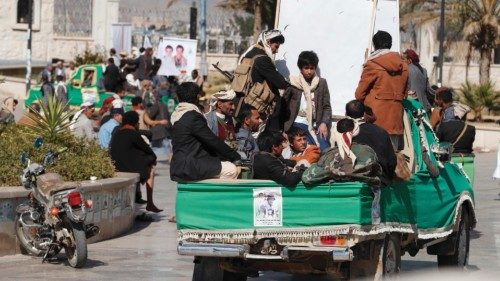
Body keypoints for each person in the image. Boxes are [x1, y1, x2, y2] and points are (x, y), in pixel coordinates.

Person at [170, 82, 241, 181]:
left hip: (180, 164)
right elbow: (211, 140)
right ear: (197, 97)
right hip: (190, 165)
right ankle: (212, 196)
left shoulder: (177, 115)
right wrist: (235, 156)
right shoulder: (193, 116)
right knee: (231, 169)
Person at [354, 30, 409, 151]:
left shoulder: (372, 64)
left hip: (375, 120)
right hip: (395, 120)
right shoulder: (404, 66)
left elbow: (359, 94)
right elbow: (405, 94)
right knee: (391, 159)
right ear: (390, 44)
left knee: (375, 159)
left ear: (375, 45)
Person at [109, 111, 162, 213]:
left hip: (116, 167)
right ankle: (150, 204)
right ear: (134, 123)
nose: (138, 125)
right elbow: (149, 151)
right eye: (137, 122)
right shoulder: (133, 133)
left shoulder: (117, 133)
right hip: (128, 168)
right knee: (151, 170)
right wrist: (152, 160)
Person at [239, 29, 290, 130]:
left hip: (245, 103)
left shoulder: (251, 53)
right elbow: (280, 83)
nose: (277, 51)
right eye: (276, 46)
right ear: (269, 42)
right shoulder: (262, 58)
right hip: (257, 108)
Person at [284, 51, 332, 151]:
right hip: (297, 123)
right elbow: (283, 104)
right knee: (310, 149)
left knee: (324, 149)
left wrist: (324, 123)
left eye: (312, 68)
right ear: (301, 68)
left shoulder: (321, 83)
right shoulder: (293, 83)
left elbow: (326, 107)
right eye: (306, 68)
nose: (309, 71)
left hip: (316, 124)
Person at [345, 100, 396, 185]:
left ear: (346, 114)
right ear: (364, 113)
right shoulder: (381, 132)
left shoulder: (344, 134)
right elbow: (391, 161)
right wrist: (388, 178)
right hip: (379, 180)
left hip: (352, 180)